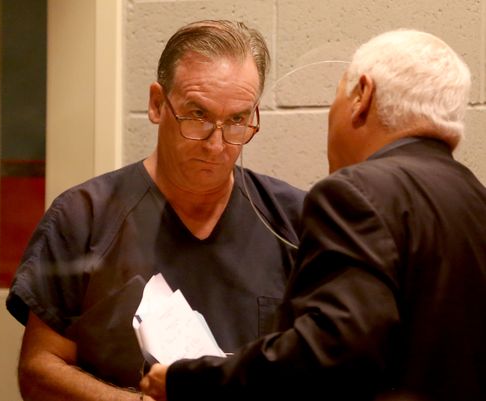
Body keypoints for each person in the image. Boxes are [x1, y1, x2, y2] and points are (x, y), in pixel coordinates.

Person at [140, 29, 486, 401]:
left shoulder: (354, 193)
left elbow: (328, 354)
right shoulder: (475, 201)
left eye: (337, 95)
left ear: (362, 96)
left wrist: (188, 381)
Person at [6, 20, 306, 401]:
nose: (216, 145)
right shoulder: (83, 217)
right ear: (157, 104)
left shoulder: (294, 221)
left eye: (236, 120)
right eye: (197, 115)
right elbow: (38, 371)